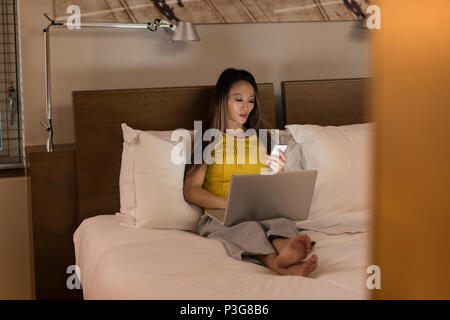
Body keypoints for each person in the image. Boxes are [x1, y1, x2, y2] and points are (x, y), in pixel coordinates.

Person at [183, 68, 318, 277]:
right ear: (222, 101)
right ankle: (278, 263)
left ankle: (287, 249)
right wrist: (228, 203)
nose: (246, 106)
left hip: (261, 209)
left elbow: (267, 184)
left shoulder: (263, 137)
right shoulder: (208, 139)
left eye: (251, 100)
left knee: (281, 222)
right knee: (249, 230)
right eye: (238, 99)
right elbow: (191, 190)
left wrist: (276, 172)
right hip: (222, 215)